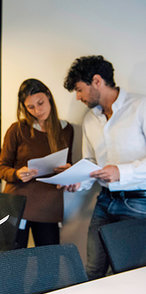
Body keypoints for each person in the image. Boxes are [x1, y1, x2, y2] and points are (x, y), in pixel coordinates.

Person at [63, 55, 146, 280]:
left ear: (97, 81)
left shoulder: (141, 107)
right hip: (104, 201)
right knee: (93, 271)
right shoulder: (91, 119)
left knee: (129, 275)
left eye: (80, 90)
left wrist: (121, 172)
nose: (78, 97)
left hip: (139, 203)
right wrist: (78, 180)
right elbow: (91, 162)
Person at [0, 78, 74, 248]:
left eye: (40, 103)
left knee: (49, 261)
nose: (37, 111)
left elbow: (67, 163)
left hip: (48, 207)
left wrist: (68, 174)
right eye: (30, 107)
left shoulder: (66, 130)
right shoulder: (17, 129)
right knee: (14, 261)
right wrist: (16, 174)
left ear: (49, 97)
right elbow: (1, 168)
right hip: (17, 204)